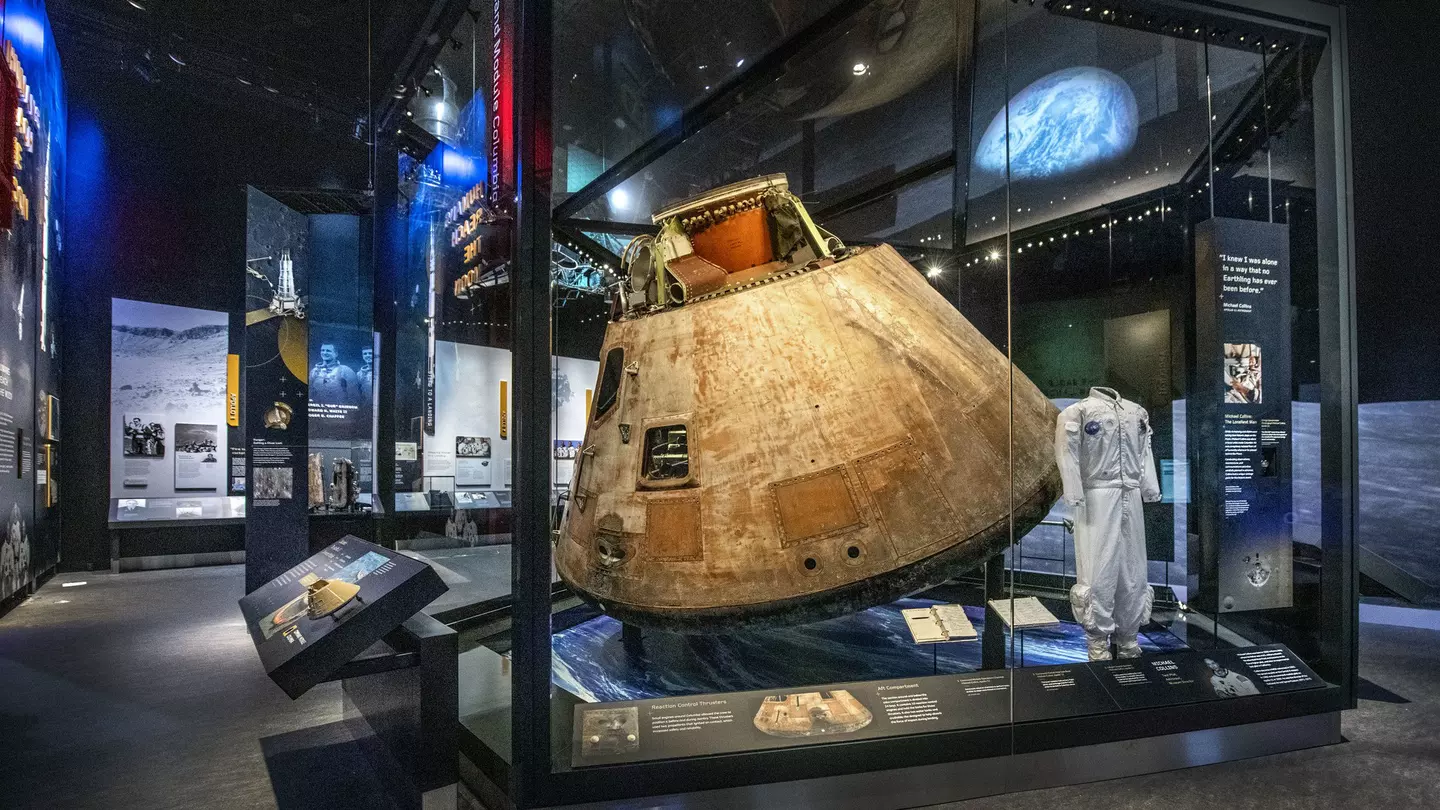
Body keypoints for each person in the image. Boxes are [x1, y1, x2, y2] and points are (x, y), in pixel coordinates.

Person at [1055, 387, 1162, 661]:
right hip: (1096, 495)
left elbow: (1144, 452)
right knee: (1097, 570)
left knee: (1133, 570)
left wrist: (1149, 487)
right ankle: (1097, 643)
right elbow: (1067, 452)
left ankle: (1128, 638)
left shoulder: (1135, 412)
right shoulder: (1078, 412)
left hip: (1131, 495)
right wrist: (1074, 490)